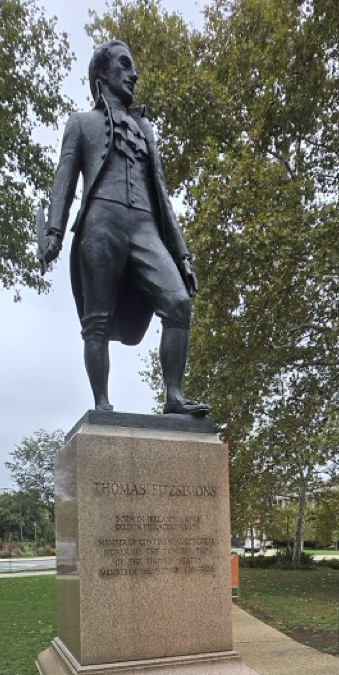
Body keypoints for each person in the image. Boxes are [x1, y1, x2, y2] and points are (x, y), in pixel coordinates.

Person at [41, 40, 208, 416]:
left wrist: (181, 254)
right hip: (101, 221)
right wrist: (54, 230)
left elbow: (162, 195)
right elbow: (64, 180)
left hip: (145, 226)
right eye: (125, 65)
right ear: (102, 72)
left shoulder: (144, 129)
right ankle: (102, 404)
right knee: (95, 319)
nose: (134, 74)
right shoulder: (81, 124)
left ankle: (174, 395)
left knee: (178, 303)